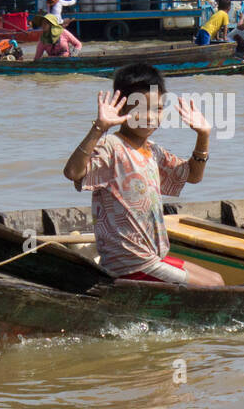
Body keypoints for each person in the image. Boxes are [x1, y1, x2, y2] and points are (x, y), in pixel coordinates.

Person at [62, 64, 224, 286]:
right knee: (214, 287)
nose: (150, 117)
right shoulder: (111, 146)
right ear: (120, 109)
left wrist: (203, 135)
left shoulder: (153, 151)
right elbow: (73, 172)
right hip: (130, 263)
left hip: (153, 257)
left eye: (157, 109)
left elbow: (193, 176)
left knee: (217, 279)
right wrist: (99, 128)